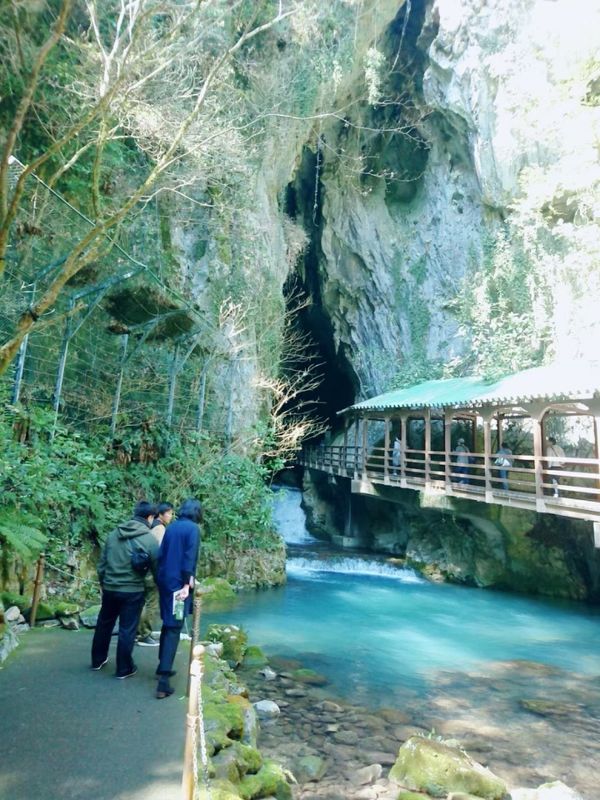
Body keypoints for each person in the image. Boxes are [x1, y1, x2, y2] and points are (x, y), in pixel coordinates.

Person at [91, 500, 159, 678]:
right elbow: (157, 567)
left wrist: (104, 583)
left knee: (104, 624)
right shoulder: (149, 539)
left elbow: (102, 565)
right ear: (150, 517)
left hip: (110, 588)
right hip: (133, 591)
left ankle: (97, 660)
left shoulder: (114, 534)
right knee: (127, 629)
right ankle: (123, 669)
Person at [155, 497, 202, 699]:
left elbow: (161, 556)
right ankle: (163, 682)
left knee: (167, 624)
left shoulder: (172, 527)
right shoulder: (192, 530)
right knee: (174, 628)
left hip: (165, 581)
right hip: (178, 586)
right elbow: (189, 559)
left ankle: (161, 667)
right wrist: (186, 584)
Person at [136, 502, 174, 647]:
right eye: (169, 513)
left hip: (142, 570)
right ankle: (144, 633)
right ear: (160, 514)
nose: (171, 516)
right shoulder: (159, 528)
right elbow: (159, 552)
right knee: (151, 603)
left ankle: (136, 632)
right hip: (152, 572)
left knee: (141, 602)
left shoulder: (150, 526)